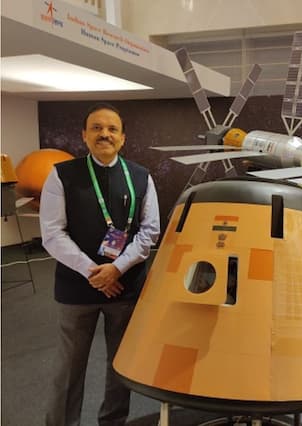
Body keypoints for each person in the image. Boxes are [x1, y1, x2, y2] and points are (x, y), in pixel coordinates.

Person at [40, 102, 160, 426]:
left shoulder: (141, 176)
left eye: (112, 129)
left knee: (120, 363)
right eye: (96, 128)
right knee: (69, 366)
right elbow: (52, 233)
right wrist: (92, 272)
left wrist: (116, 269)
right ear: (84, 135)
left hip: (125, 287)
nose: (104, 134)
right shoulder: (62, 174)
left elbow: (150, 231)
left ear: (123, 138)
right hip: (77, 288)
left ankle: (113, 421)